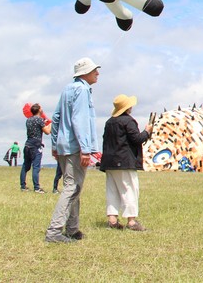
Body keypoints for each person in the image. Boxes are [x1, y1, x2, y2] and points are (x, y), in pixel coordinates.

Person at [45, 57, 101, 243]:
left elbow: (55, 118)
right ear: (85, 73)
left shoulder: (68, 89)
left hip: (63, 145)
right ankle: (54, 232)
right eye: (94, 70)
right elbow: (80, 119)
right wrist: (85, 149)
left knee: (74, 188)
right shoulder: (83, 90)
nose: (97, 73)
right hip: (75, 147)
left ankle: (72, 228)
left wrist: (54, 144)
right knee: (72, 188)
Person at [100, 94, 153, 231]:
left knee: (112, 190)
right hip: (124, 161)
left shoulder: (109, 122)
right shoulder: (128, 121)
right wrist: (147, 132)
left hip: (109, 162)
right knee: (130, 189)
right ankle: (131, 221)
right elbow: (137, 139)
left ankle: (112, 219)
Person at [20, 103, 52, 193]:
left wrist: (44, 123)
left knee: (25, 166)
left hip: (28, 144)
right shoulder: (40, 120)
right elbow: (47, 132)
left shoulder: (28, 120)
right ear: (39, 110)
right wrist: (50, 124)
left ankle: (23, 186)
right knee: (36, 167)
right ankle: (37, 188)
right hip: (36, 145)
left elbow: (36, 127)